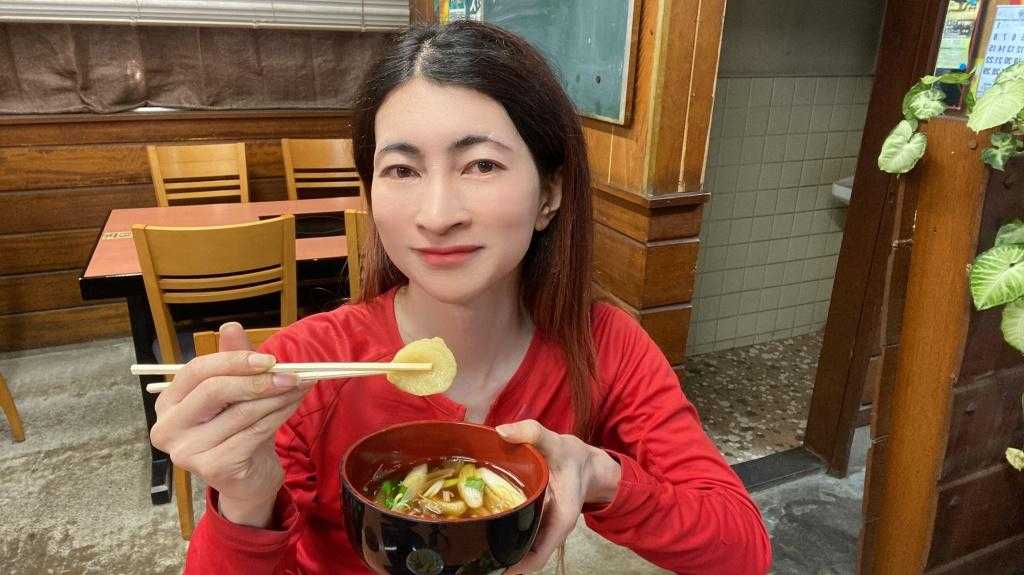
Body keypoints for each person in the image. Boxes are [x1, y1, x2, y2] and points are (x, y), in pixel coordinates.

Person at [151, 20, 772, 575]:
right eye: (401, 170)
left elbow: (742, 550)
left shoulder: (604, 346)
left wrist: (603, 476)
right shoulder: (302, 369)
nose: (437, 214)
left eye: (481, 165)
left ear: (550, 194)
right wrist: (246, 499)